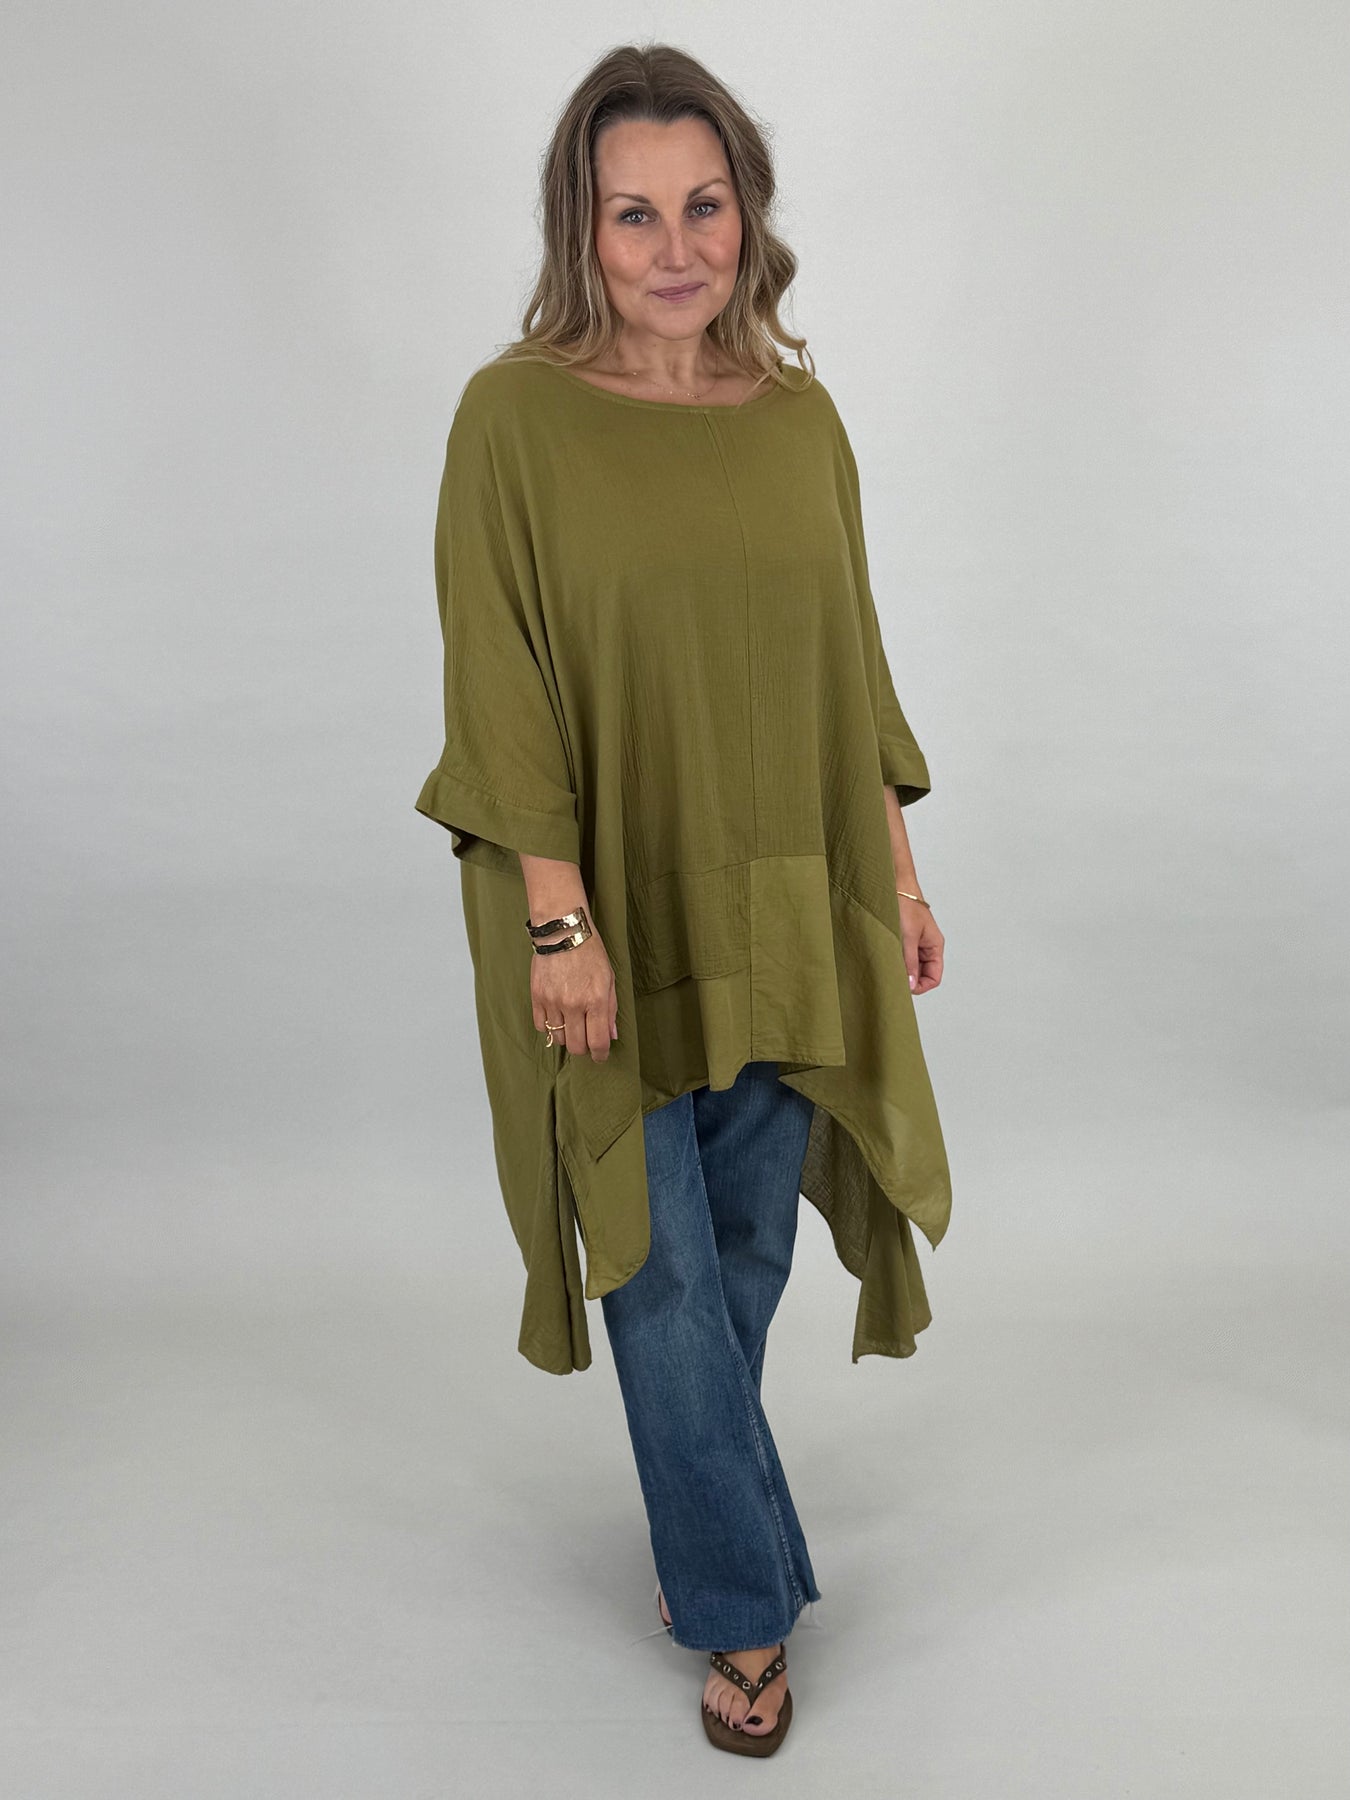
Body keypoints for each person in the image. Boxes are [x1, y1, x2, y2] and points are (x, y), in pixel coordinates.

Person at [413, 43, 953, 1757]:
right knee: (651, 1260)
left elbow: (847, 664)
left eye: (701, 204)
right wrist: (555, 920)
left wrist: (896, 871)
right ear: (579, 229)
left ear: (748, 213)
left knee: (738, 1249)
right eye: (631, 212)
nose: (672, 245)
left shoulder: (799, 419)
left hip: (788, 890)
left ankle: (710, 1542)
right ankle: (741, 1606)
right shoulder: (513, 418)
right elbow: (497, 682)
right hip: (603, 905)